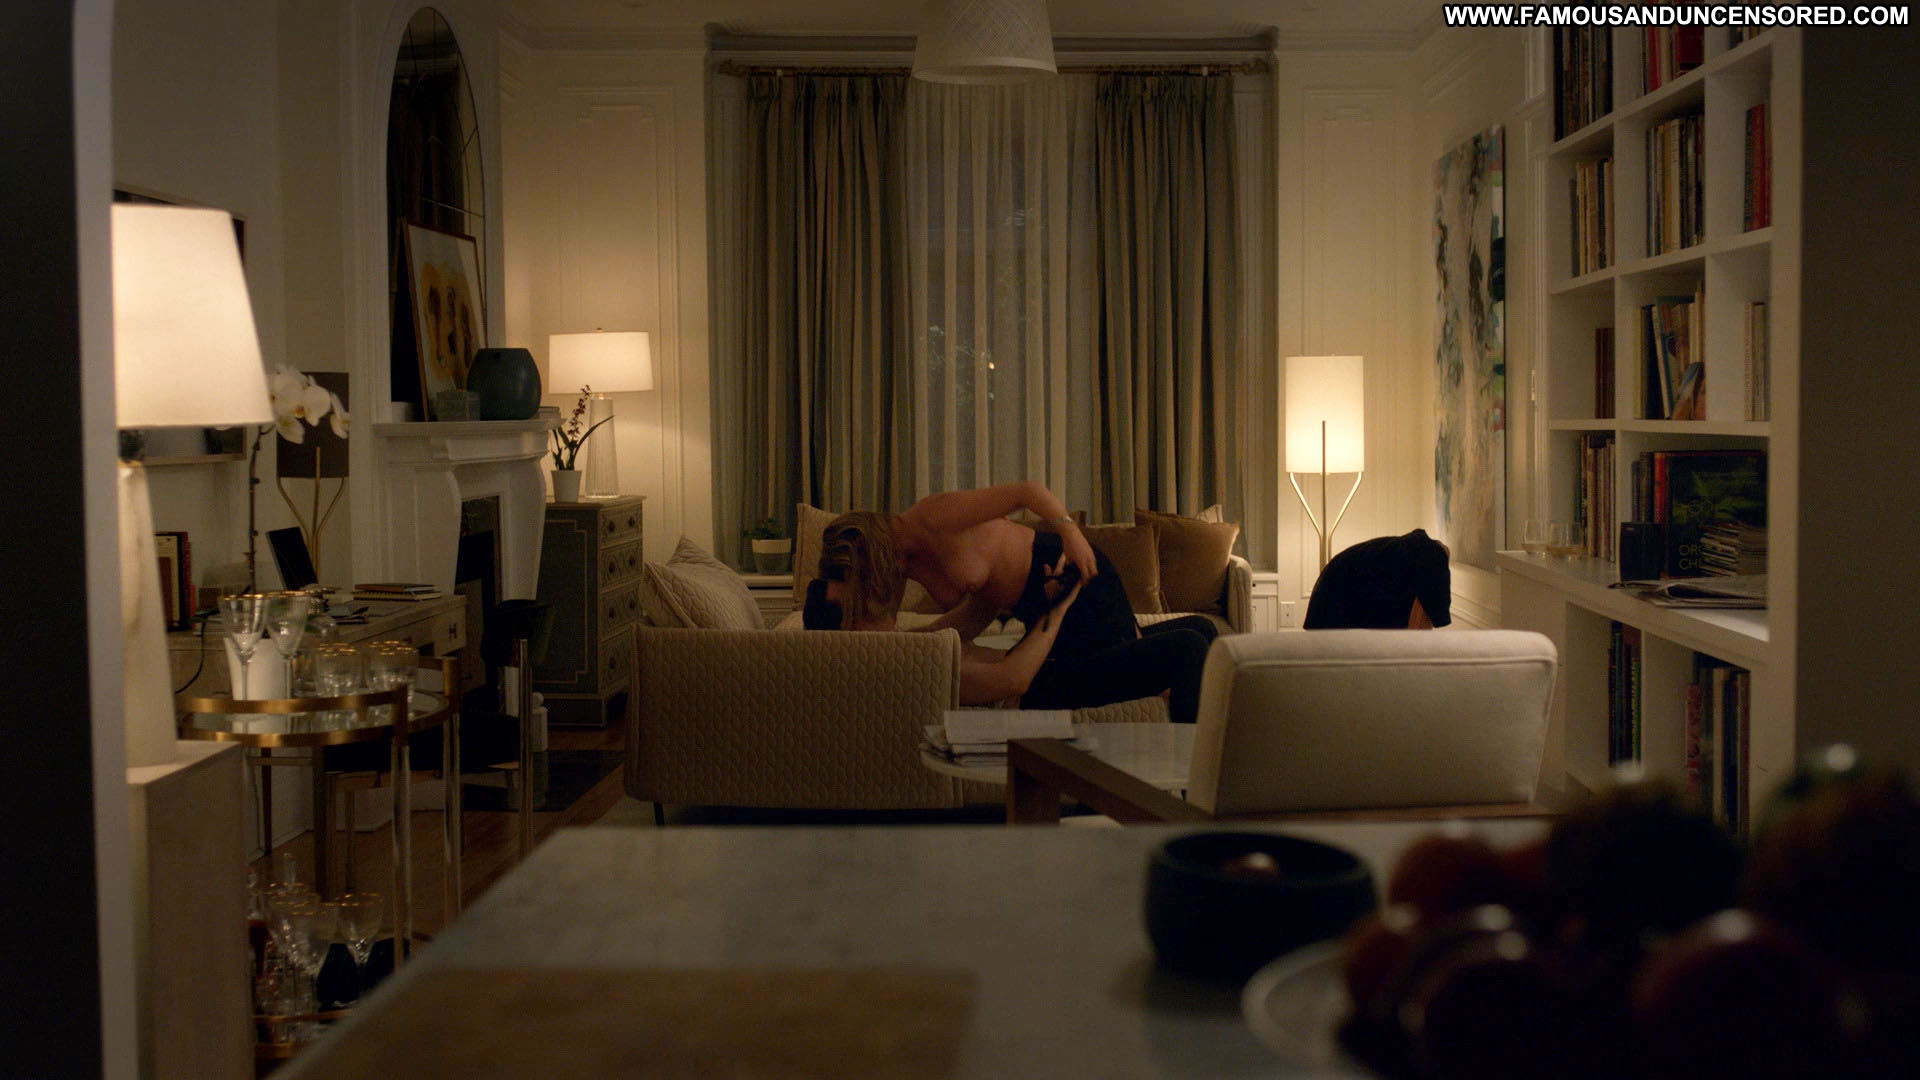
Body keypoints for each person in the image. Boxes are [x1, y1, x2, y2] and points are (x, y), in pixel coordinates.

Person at [809, 484, 1218, 721]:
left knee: (1186, 645)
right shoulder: (905, 564)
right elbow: (982, 604)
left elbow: (1027, 491)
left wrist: (1072, 535)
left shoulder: (933, 517)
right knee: (1195, 635)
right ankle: (1192, 771)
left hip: (1072, 579)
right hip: (1048, 606)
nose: (873, 588)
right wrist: (925, 638)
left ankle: (1190, 767)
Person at [1302, 528, 1453, 630]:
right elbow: (1432, 619)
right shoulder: (1431, 558)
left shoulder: (1408, 554)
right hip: (1333, 599)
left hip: (1331, 594)